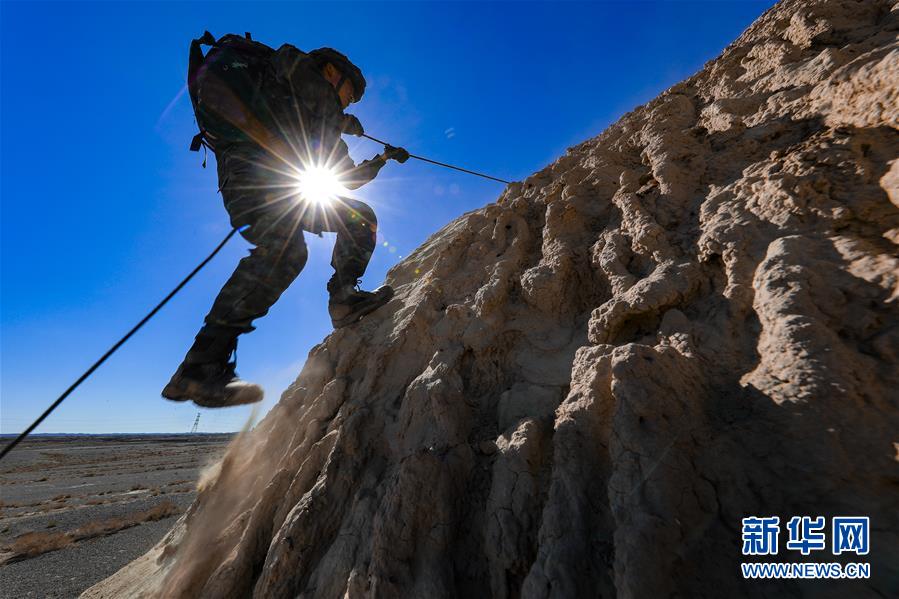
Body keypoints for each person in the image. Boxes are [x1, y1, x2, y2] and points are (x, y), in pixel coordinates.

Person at [162, 37, 408, 408]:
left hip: (289, 185)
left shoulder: (317, 117)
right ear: (331, 71)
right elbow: (321, 103)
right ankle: (199, 368)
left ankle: (343, 296)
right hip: (251, 175)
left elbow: (344, 177)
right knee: (285, 252)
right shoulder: (296, 66)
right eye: (349, 93)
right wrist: (345, 122)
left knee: (360, 217)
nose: (347, 101)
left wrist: (381, 160)